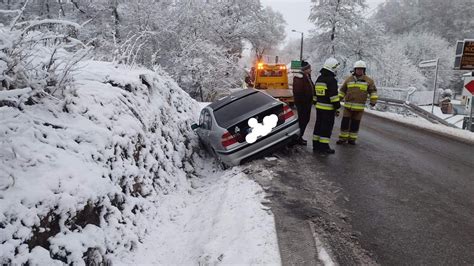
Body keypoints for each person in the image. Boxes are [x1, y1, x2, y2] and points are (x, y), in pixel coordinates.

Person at [336, 60, 378, 145]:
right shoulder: (349, 79)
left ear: (364, 70)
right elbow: (342, 91)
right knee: (345, 123)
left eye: (361, 69)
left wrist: (373, 101)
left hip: (359, 108)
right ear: (355, 70)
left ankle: (352, 139)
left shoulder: (368, 81)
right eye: (358, 69)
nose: (360, 71)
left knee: (355, 124)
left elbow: (373, 92)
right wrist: (338, 100)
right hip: (348, 107)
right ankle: (343, 138)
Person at [313, 57, 341, 154]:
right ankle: (324, 147)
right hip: (328, 109)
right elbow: (333, 96)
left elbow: (315, 94)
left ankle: (316, 145)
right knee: (326, 127)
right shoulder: (331, 80)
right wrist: (337, 106)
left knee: (318, 125)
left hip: (319, 108)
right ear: (332, 68)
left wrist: (316, 101)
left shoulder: (319, 78)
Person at [292, 60, 314, 145]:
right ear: (305, 69)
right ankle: (298, 137)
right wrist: (303, 101)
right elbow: (298, 92)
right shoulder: (300, 78)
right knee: (303, 120)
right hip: (303, 104)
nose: (310, 70)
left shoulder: (306, 76)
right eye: (309, 68)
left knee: (305, 120)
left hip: (306, 103)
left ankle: (299, 137)